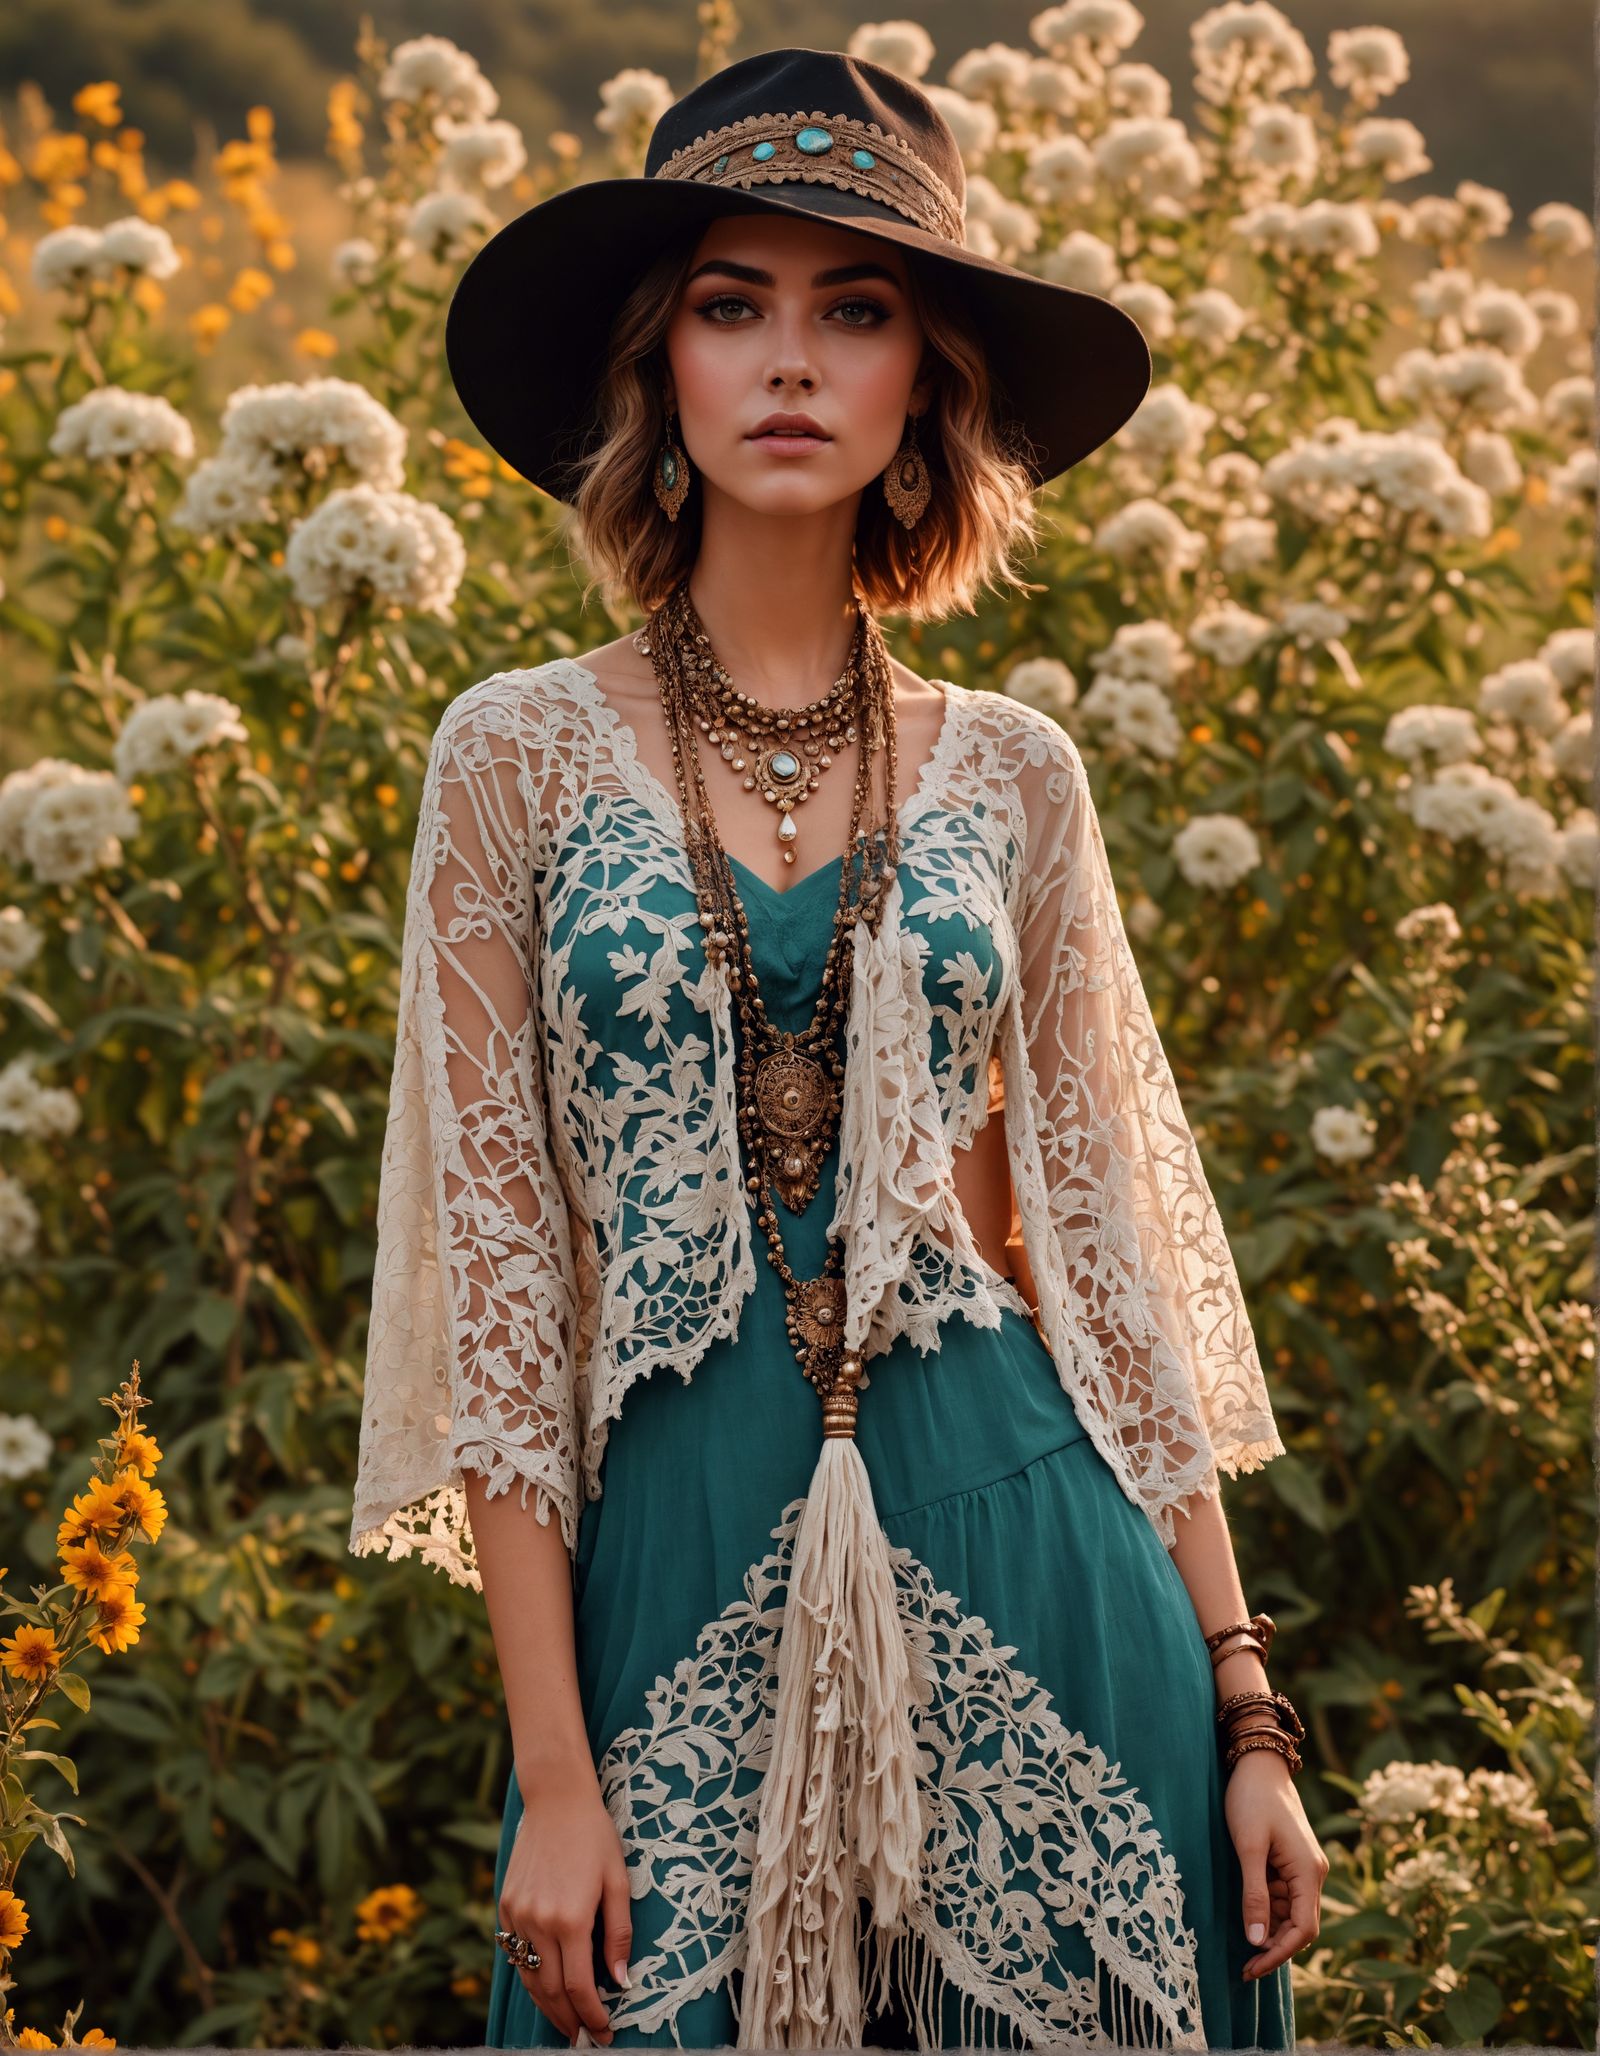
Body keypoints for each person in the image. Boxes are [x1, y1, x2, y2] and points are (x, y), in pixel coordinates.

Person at [348, 44, 1329, 2053]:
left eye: (852, 309)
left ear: (919, 388)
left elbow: (1101, 1252)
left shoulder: (1016, 776)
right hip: (677, 1568)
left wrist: (1243, 1705)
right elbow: (508, 1307)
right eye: (731, 304)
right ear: (660, 371)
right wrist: (550, 1769)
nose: (787, 359)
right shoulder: (512, 757)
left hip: (1038, 1562)